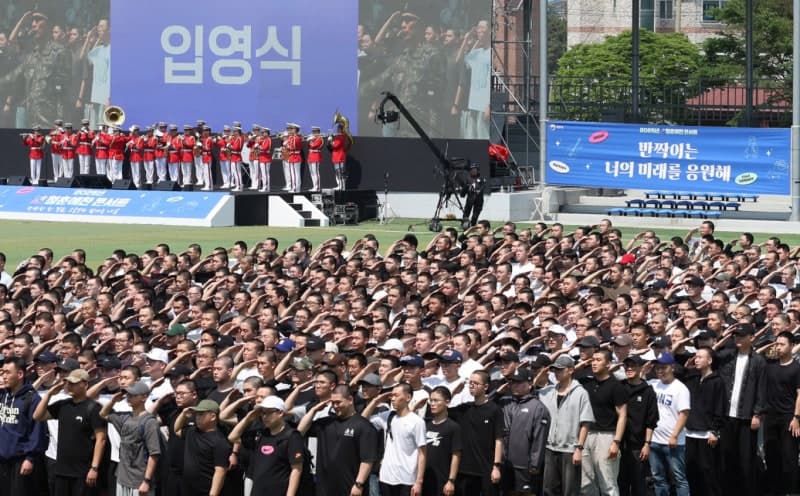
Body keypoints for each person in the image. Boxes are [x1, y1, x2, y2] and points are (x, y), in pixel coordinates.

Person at [33, 368, 107, 496]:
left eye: (73, 383)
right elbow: (37, 416)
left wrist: (94, 468)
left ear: (84, 384)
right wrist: (49, 394)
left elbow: (101, 439)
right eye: (68, 383)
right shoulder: (63, 405)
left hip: (83, 471)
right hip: (61, 469)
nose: (69, 386)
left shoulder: (94, 408)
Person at [297, 384, 377, 496]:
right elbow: (300, 431)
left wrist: (359, 484)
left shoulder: (364, 426)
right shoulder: (325, 423)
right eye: (333, 403)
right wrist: (314, 410)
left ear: (350, 400)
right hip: (324, 488)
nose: (335, 406)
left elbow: (367, 460)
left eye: (338, 402)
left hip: (350, 488)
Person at [716, 323, 766, 496]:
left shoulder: (759, 361)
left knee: (746, 460)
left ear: (751, 338)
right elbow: (711, 354)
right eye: (735, 335)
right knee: (726, 458)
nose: (737, 338)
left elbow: (761, 389)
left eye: (741, 335)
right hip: (727, 416)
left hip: (746, 417)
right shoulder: (727, 357)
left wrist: (757, 413)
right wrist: (725, 337)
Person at [229, 396, 312, 495]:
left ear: (280, 413)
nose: (264, 416)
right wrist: (248, 419)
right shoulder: (262, 434)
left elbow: (296, 469)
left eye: (269, 412)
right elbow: (232, 437)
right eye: (262, 413)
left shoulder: (291, 436)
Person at [539, 354, 595, 496]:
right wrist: (541, 373)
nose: (556, 373)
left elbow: (586, 423)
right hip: (550, 448)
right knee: (549, 489)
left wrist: (579, 448)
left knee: (570, 491)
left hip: (570, 450)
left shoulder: (581, 393)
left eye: (560, 369)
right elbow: (533, 386)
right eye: (555, 370)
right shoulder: (548, 391)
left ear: (571, 370)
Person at [364, 382, 427, 496]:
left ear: (408, 397)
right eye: (391, 395)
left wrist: (419, 481)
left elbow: (422, 453)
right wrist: (375, 401)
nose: (392, 399)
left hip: (407, 479)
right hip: (386, 477)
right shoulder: (388, 416)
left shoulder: (417, 422)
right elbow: (362, 421)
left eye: (396, 395)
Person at [98, 381, 161, 496]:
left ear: (144, 397)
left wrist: (146, 481)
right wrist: (113, 401)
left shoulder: (150, 422)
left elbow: (154, 454)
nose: (129, 397)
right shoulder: (125, 417)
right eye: (128, 394)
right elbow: (103, 414)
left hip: (139, 481)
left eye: (133, 395)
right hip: (122, 478)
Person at [449, 370, 503, 496]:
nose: (471, 385)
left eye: (476, 383)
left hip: (486, 469)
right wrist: (454, 393)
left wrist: (496, 467)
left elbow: (499, 439)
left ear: (485, 387)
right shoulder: (464, 408)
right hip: (464, 470)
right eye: (470, 383)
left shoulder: (494, 410)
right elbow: (441, 410)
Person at [581, 349, 627, 496]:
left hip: (607, 436)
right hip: (586, 435)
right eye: (593, 360)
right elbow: (566, 375)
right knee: (586, 483)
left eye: (598, 360)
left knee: (608, 483)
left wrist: (616, 442)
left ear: (608, 364)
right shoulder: (587, 384)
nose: (594, 363)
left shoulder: (616, 386)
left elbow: (622, 415)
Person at [498, 367, 551, 496]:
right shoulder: (505, 402)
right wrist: (498, 393)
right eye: (513, 382)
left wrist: (534, 465)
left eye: (519, 382)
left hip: (525, 467)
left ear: (530, 384)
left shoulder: (538, 408)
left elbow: (539, 439)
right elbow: (485, 403)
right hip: (505, 465)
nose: (515, 385)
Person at [0, 356, 47, 495]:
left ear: (20, 374)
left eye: (8, 372)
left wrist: (30, 458)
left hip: (20, 461)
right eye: (2, 372)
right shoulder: (3, 395)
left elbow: (37, 430)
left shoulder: (32, 398)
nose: (4, 376)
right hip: (2, 459)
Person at [684, 346, 725, 496]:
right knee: (691, 471)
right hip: (689, 433)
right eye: (696, 356)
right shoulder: (692, 377)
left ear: (710, 360)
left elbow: (719, 407)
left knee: (708, 472)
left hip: (706, 434)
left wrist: (715, 431)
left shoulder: (717, 381)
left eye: (700, 357)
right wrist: (686, 369)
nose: (696, 359)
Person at [647, 352, 690, 496]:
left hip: (673, 442)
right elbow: (637, 382)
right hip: (654, 440)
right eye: (657, 368)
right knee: (658, 478)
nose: (659, 370)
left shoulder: (680, 388)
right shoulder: (653, 384)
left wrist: (675, 435)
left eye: (663, 367)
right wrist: (644, 370)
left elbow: (684, 414)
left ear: (672, 367)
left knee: (679, 478)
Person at [764, 331, 800, 495]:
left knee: (789, 458)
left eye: (782, 344)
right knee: (772, 455)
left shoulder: (796, 368)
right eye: (776, 344)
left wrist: (796, 417)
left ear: (792, 346)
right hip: (771, 417)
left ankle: (791, 491)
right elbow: (756, 353)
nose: (778, 347)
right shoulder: (770, 366)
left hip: (789, 418)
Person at [617, 355, 658, 496]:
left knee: (638, 486)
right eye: (626, 366)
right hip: (619, 445)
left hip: (638, 446)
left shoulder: (648, 391)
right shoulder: (619, 387)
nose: (629, 368)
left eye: (633, 365)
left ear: (641, 368)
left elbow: (651, 421)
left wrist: (647, 444)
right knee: (620, 483)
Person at [174, 399, 231, 496]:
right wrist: (183, 415)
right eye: (196, 414)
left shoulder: (220, 441)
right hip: (187, 489)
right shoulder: (192, 431)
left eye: (201, 414)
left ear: (213, 416)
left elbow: (220, 471)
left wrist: (213, 494)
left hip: (205, 491)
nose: (197, 417)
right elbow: (177, 430)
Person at [421, 386, 462, 496]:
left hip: (442, 481)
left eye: (436, 400)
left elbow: (456, 455)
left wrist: (451, 480)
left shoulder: (453, 427)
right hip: (423, 479)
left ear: (447, 402)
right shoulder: (425, 424)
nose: (432, 404)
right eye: (431, 400)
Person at [460, 163, 486, 229]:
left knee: (475, 215)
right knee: (466, 213)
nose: (473, 171)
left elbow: (482, 187)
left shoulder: (481, 178)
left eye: (475, 169)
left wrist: (478, 191)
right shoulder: (468, 179)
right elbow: (464, 188)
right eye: (472, 169)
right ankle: (464, 225)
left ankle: (473, 225)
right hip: (470, 199)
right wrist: (462, 193)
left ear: (477, 170)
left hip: (478, 200)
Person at [329, 122, 348, 190]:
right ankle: (339, 185)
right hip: (336, 156)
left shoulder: (340, 137)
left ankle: (342, 186)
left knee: (340, 172)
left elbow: (335, 145)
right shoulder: (338, 136)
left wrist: (331, 141)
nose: (337, 129)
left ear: (341, 129)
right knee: (337, 172)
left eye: (338, 128)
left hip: (339, 157)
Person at [284, 123, 303, 192]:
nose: (291, 130)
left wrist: (287, 145)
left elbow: (293, 147)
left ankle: (296, 188)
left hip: (295, 156)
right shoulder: (292, 138)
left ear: (296, 130)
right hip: (292, 156)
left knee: (295, 174)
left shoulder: (296, 138)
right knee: (293, 173)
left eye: (292, 129)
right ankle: (294, 187)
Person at [306, 126, 324, 192]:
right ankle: (314, 186)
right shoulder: (313, 139)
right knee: (312, 173)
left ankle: (317, 187)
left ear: (318, 132)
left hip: (316, 156)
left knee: (316, 172)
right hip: (310, 156)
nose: (313, 133)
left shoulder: (320, 139)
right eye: (313, 132)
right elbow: (309, 147)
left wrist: (310, 140)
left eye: (315, 132)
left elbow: (313, 146)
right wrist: (310, 140)